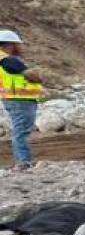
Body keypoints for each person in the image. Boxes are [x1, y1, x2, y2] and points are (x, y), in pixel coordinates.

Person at [0, 30, 44, 170]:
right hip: (20, 100)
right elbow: (32, 76)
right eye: (17, 44)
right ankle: (24, 162)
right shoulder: (8, 60)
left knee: (19, 131)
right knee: (21, 132)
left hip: (12, 99)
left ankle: (23, 161)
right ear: (10, 45)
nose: (20, 47)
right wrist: (38, 77)